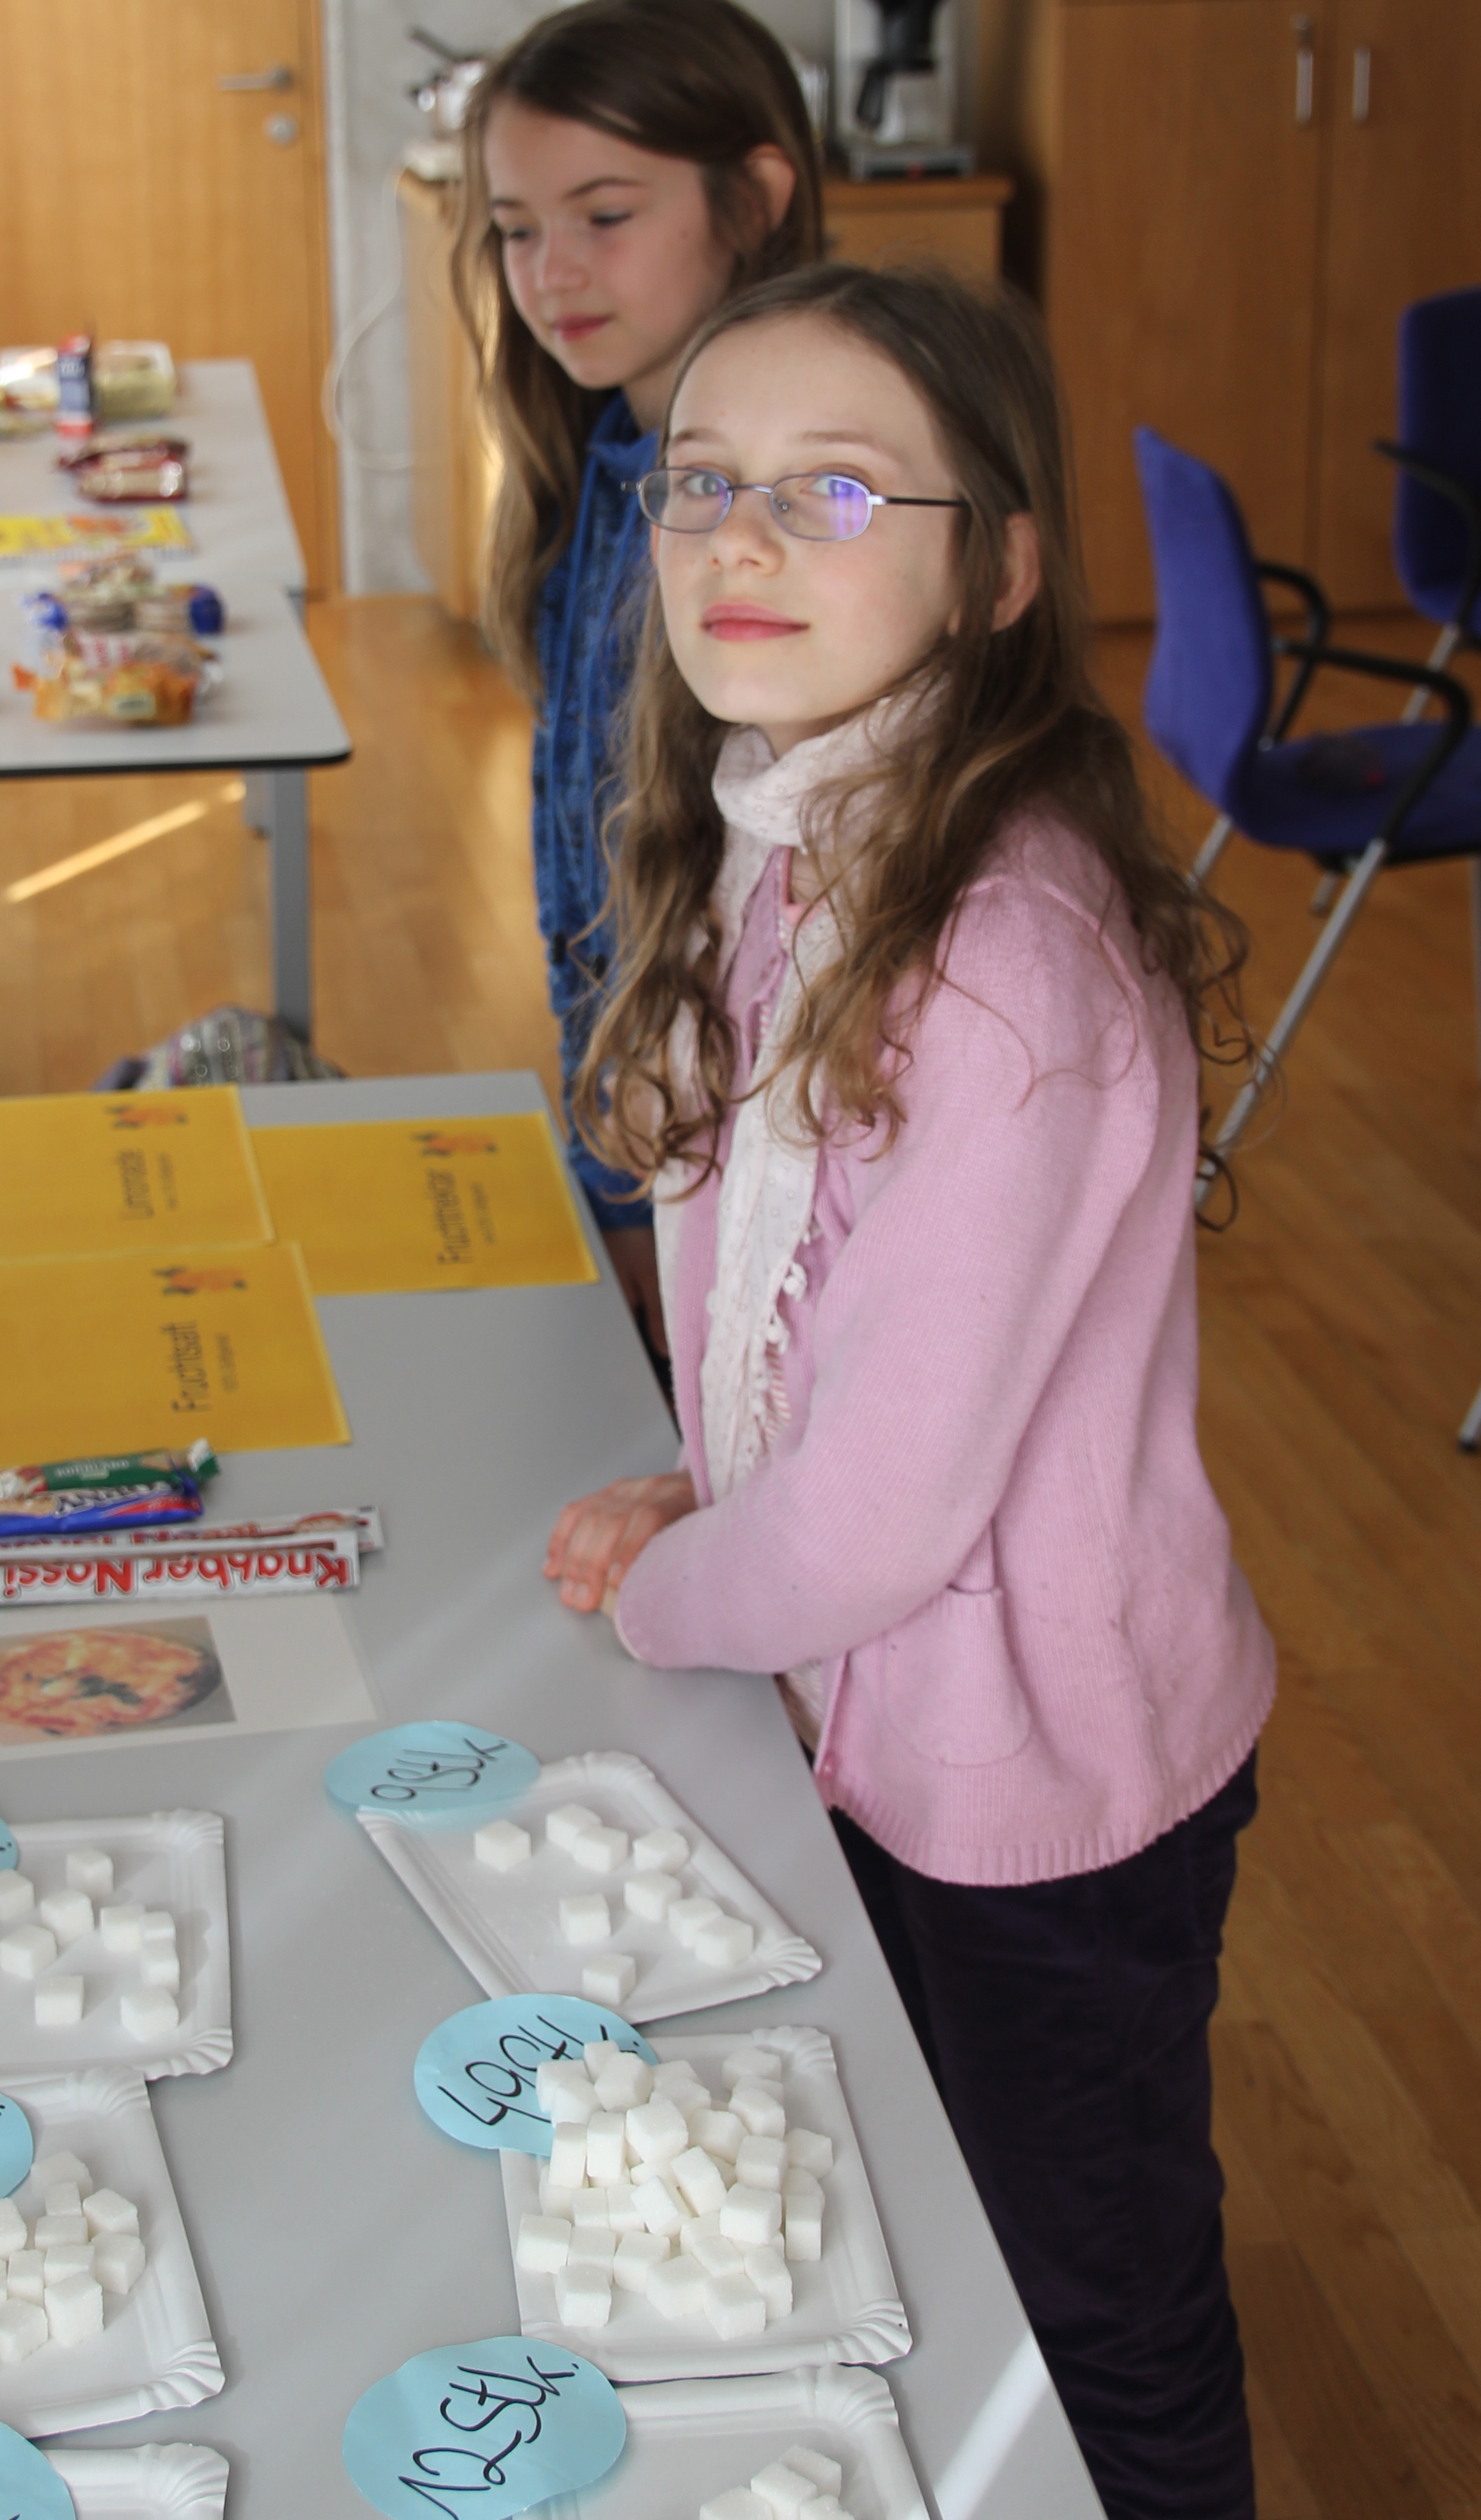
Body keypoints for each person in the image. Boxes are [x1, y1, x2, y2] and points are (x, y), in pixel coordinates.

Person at [543, 260, 1275, 2520]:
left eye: (833, 491)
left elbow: (874, 1517)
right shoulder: (798, 824)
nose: (738, 542)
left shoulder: (999, 954)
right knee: (927, 2222)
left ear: (998, 564)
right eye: (700, 489)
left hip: (1033, 1788)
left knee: (1096, 2303)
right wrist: (704, 1487)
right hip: (866, 1703)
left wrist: (668, 1586)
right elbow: (775, 1268)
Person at [458, 0, 823, 1366]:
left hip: (733, 1180)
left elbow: (718, 920)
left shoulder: (760, 521)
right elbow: (590, 883)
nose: (551, 272)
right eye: (514, 230)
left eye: (605, 217)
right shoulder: (603, 464)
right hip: (640, 1142)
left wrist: (638, 1189)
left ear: (757, 196)